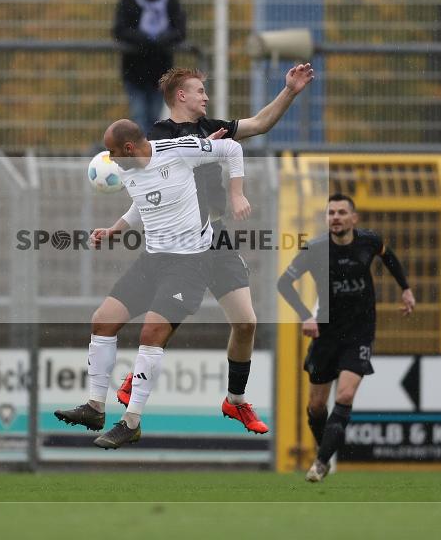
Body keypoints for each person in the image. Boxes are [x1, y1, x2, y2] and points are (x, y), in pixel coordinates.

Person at [114, 63, 315, 434]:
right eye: (199, 90)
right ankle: (134, 378)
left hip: (216, 235)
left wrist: (290, 91)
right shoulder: (156, 137)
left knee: (246, 321)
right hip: (180, 241)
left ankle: (235, 401)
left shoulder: (210, 128)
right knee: (171, 310)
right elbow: (149, 193)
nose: (206, 96)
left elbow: (259, 124)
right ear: (181, 96)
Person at [54, 119, 247, 449]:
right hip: (153, 259)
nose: (111, 160)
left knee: (151, 332)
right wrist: (115, 229)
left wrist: (237, 193)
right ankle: (94, 408)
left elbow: (232, 147)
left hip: (190, 264)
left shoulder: (176, 151)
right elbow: (143, 203)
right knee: (103, 320)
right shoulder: (128, 170)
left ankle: (131, 422)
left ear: (129, 148)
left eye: (113, 152)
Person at [277, 193, 415, 483]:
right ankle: (324, 447)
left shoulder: (369, 241)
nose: (336, 217)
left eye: (341, 212)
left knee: (346, 395)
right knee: (316, 406)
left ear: (354, 218)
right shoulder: (314, 249)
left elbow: (388, 257)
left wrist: (405, 288)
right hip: (326, 333)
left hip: (360, 332)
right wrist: (306, 315)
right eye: (331, 213)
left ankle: (321, 462)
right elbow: (284, 283)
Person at [113, 0, 187, 135]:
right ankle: (142, 154)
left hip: (160, 73)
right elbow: (120, 30)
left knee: (154, 116)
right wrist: (144, 40)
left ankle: (149, 152)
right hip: (134, 71)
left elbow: (180, 31)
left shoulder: (171, 2)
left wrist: (161, 40)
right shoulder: (129, 1)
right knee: (138, 115)